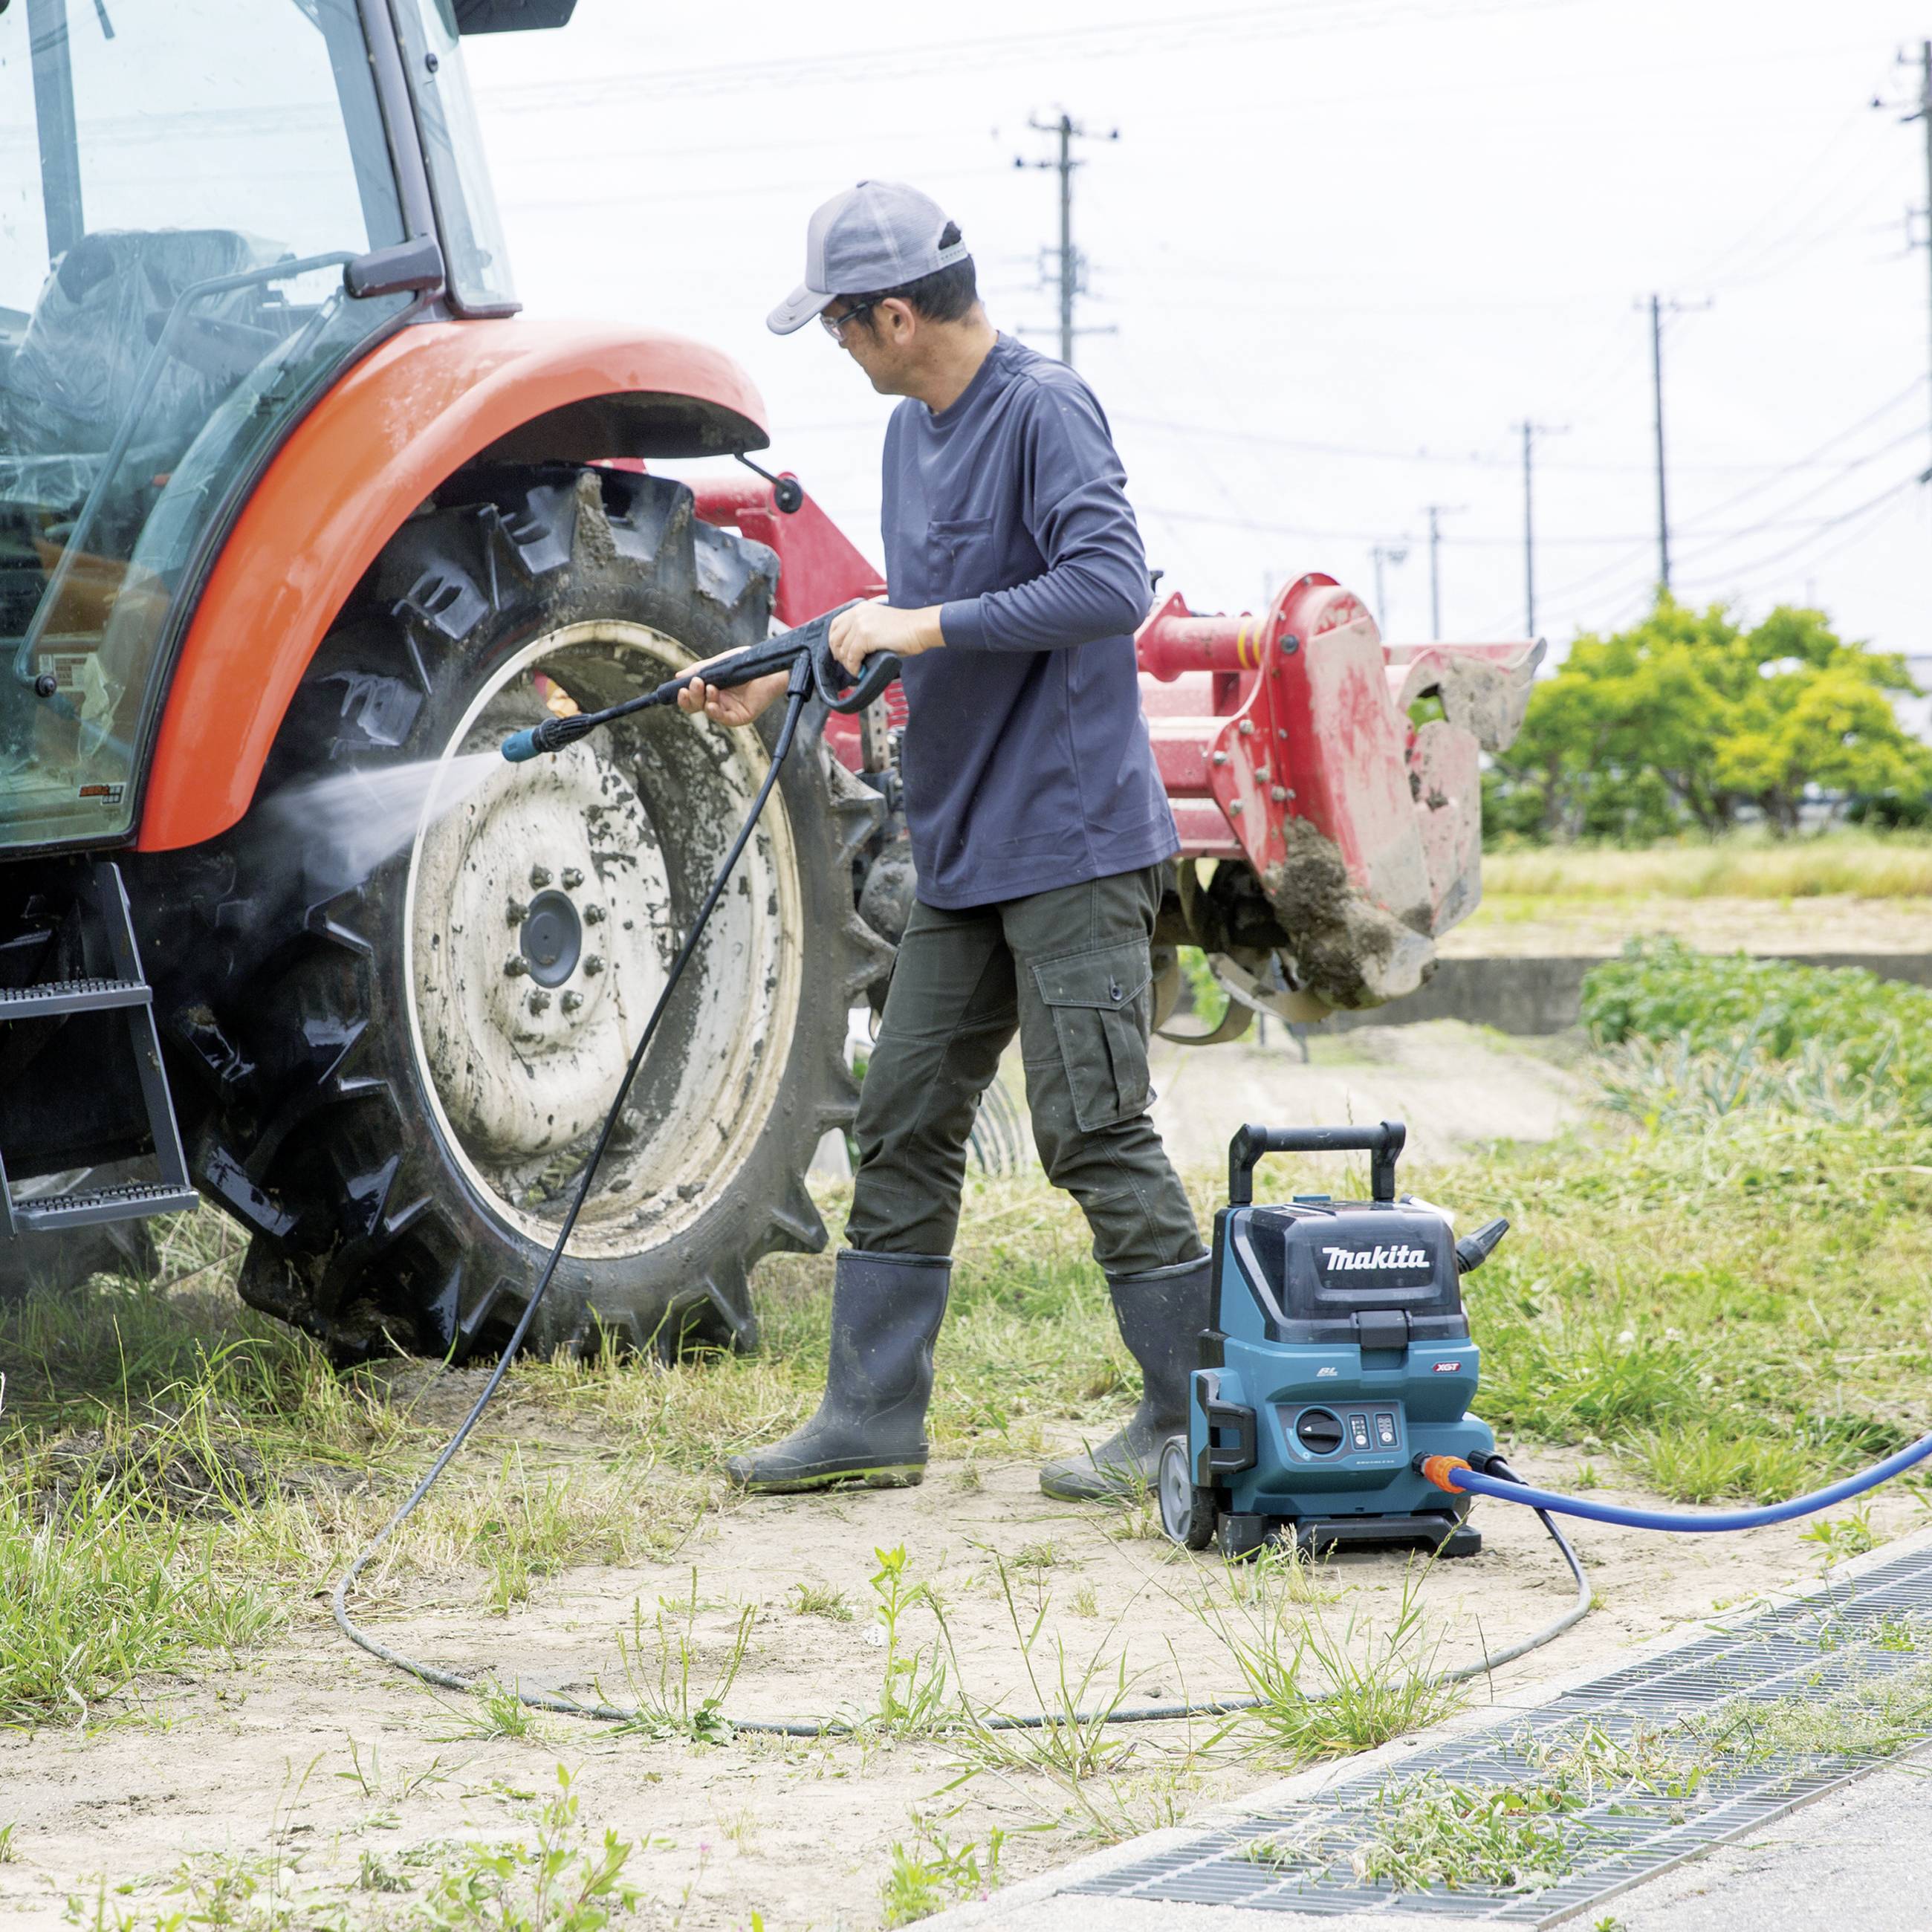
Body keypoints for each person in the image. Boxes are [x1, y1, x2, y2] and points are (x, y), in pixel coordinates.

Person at [682, 179, 1206, 1503]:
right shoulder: (913, 437)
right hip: (966, 850)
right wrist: (784, 668)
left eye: (843, 329)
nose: (840, 351)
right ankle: (870, 1419)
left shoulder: (1043, 409)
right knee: (904, 1115)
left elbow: (1110, 586)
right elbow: (902, 613)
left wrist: (915, 627)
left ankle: (1190, 1420)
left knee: (1093, 1130)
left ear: (897, 314)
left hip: (1075, 843)